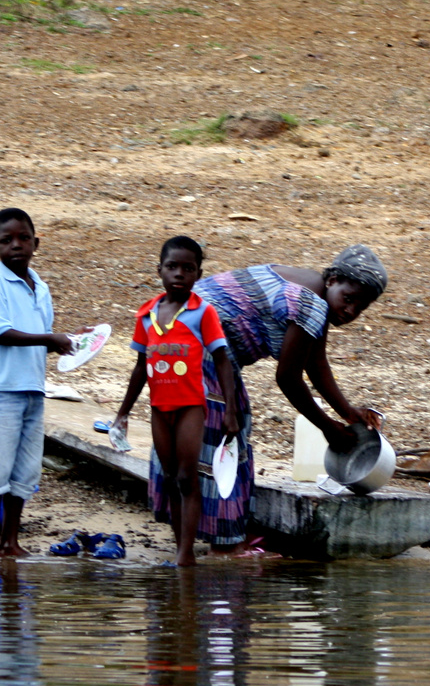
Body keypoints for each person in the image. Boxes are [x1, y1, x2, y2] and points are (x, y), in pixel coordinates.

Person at [186, 244, 388, 554]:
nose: (349, 312)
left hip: (176, 333)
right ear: (332, 280)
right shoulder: (311, 303)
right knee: (228, 439)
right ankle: (226, 545)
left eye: (359, 308)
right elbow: (288, 379)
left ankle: (206, 529)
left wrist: (349, 413)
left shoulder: (310, 288)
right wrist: (327, 427)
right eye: (348, 300)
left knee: (200, 439)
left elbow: (316, 364)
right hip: (201, 348)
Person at [112, 237, 239, 567]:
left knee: (187, 477)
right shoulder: (146, 315)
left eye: (188, 268)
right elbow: (141, 367)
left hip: (190, 408)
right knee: (169, 477)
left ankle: (185, 555)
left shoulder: (202, 313)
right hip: (159, 409)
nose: (179, 274)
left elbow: (223, 359)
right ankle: (178, 544)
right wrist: (123, 412)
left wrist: (230, 410)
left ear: (198, 274)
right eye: (172, 267)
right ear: (160, 271)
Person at [0, 207, 74, 559]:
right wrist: (51, 339)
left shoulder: (40, 287)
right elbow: (2, 334)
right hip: (1, 391)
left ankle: (11, 541)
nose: (16, 245)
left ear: (36, 243)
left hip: (33, 389)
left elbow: (39, 338)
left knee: (25, 469)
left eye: (23, 238)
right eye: (6, 241)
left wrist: (74, 342)